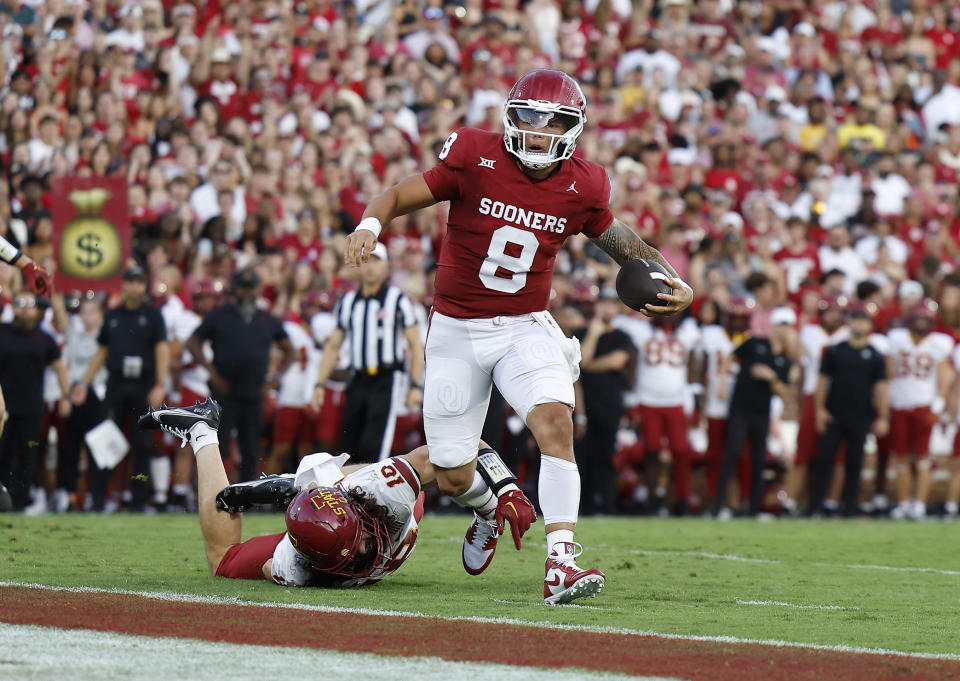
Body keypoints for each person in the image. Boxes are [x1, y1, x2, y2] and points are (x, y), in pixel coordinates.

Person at [344, 69, 693, 603]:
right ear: (510, 118)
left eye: (551, 122)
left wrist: (675, 281)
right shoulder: (474, 155)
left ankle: (561, 563)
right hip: (456, 330)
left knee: (555, 420)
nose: (536, 132)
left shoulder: (584, 184)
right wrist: (370, 225)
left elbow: (627, 246)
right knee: (456, 473)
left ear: (573, 130)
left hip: (524, 325)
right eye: (526, 118)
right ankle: (491, 507)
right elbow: (397, 195)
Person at [138, 399, 536, 589]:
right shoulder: (292, 565)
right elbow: (266, 566)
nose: (367, 550)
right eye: (359, 549)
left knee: (447, 472)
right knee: (223, 563)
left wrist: (504, 491)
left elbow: (466, 443)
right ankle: (201, 431)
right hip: (317, 523)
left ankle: (484, 513)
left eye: (360, 541)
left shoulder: (385, 493)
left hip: (359, 494)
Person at [310, 244, 424, 463]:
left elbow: (414, 346)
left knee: (375, 446)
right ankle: (352, 496)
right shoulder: (349, 302)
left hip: (386, 379)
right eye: (367, 260)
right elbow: (333, 345)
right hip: (357, 379)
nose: (371, 267)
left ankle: (371, 497)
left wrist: (415, 385)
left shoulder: (398, 300)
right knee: (350, 444)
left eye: (376, 260)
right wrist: (319, 384)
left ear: (386, 266)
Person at [74, 265, 169, 512]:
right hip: (116, 385)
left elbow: (161, 349)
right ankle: (97, 501)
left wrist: (160, 384)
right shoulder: (113, 316)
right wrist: (84, 382)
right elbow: (102, 351)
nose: (134, 286)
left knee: (142, 444)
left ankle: (138, 502)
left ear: (144, 286)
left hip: (143, 384)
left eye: (139, 282)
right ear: (124, 285)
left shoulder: (153, 315)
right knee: (105, 441)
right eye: (130, 281)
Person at [186, 268, 294, 482]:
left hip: (254, 393)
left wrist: (275, 377)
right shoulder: (220, 315)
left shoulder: (267, 319)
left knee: (251, 447)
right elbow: (193, 342)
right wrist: (211, 371)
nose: (246, 293)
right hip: (224, 391)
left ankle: (248, 495)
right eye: (243, 288)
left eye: (250, 288)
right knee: (218, 444)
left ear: (257, 291)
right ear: (234, 289)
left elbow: (289, 349)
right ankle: (216, 490)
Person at [616, 311, 700, 515]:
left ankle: (681, 499)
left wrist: (695, 399)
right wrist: (631, 398)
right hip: (648, 400)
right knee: (651, 451)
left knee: (681, 451)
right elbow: (633, 364)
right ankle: (653, 498)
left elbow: (693, 365)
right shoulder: (642, 331)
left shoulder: (687, 332)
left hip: (676, 401)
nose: (668, 317)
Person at [713, 307, 794, 518]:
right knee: (732, 454)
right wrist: (721, 383)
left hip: (761, 412)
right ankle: (717, 506)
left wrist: (771, 378)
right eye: (782, 325)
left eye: (788, 326)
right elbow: (730, 358)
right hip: (740, 407)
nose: (784, 330)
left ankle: (752, 509)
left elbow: (784, 390)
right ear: (774, 326)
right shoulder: (755, 343)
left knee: (758, 459)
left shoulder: (784, 360)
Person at [809, 304, 889, 516]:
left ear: (870, 325)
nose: (860, 324)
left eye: (864, 320)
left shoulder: (875, 355)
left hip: (861, 415)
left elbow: (880, 387)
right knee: (824, 460)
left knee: (855, 462)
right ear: (849, 323)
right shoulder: (836, 351)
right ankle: (816, 506)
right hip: (834, 412)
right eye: (856, 319)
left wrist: (882, 415)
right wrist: (819, 409)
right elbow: (822, 381)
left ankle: (849, 507)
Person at [0, 291, 71, 510]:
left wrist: (66, 396)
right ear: (13, 307)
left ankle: (21, 502)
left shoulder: (45, 338)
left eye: (29, 305)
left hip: (31, 406)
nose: (24, 309)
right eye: (20, 304)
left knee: (29, 455)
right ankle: (4, 499)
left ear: (36, 309)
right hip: (3, 406)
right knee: (2, 453)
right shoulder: (1, 332)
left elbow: (60, 367)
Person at [885, 301, 954, 520]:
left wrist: (939, 405)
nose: (921, 322)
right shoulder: (896, 339)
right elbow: (887, 374)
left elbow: (944, 378)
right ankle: (904, 503)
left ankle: (920, 505)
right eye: (919, 318)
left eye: (926, 318)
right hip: (899, 404)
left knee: (923, 458)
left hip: (924, 406)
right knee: (901, 458)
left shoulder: (939, 343)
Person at [573, 292, 635, 515]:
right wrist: (593, 334)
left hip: (609, 404)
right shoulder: (581, 333)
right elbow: (580, 361)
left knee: (606, 458)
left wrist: (588, 365)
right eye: (603, 304)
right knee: (581, 458)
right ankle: (581, 509)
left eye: (611, 305)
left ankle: (608, 508)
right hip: (582, 405)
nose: (606, 309)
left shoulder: (622, 337)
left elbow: (615, 362)